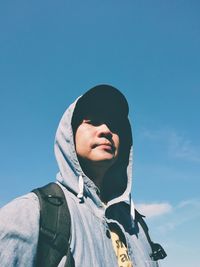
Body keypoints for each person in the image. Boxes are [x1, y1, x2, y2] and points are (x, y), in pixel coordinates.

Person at [0, 84, 166, 267]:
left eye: (115, 125)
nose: (106, 130)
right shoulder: (30, 215)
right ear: (69, 134)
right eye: (92, 121)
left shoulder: (137, 226)